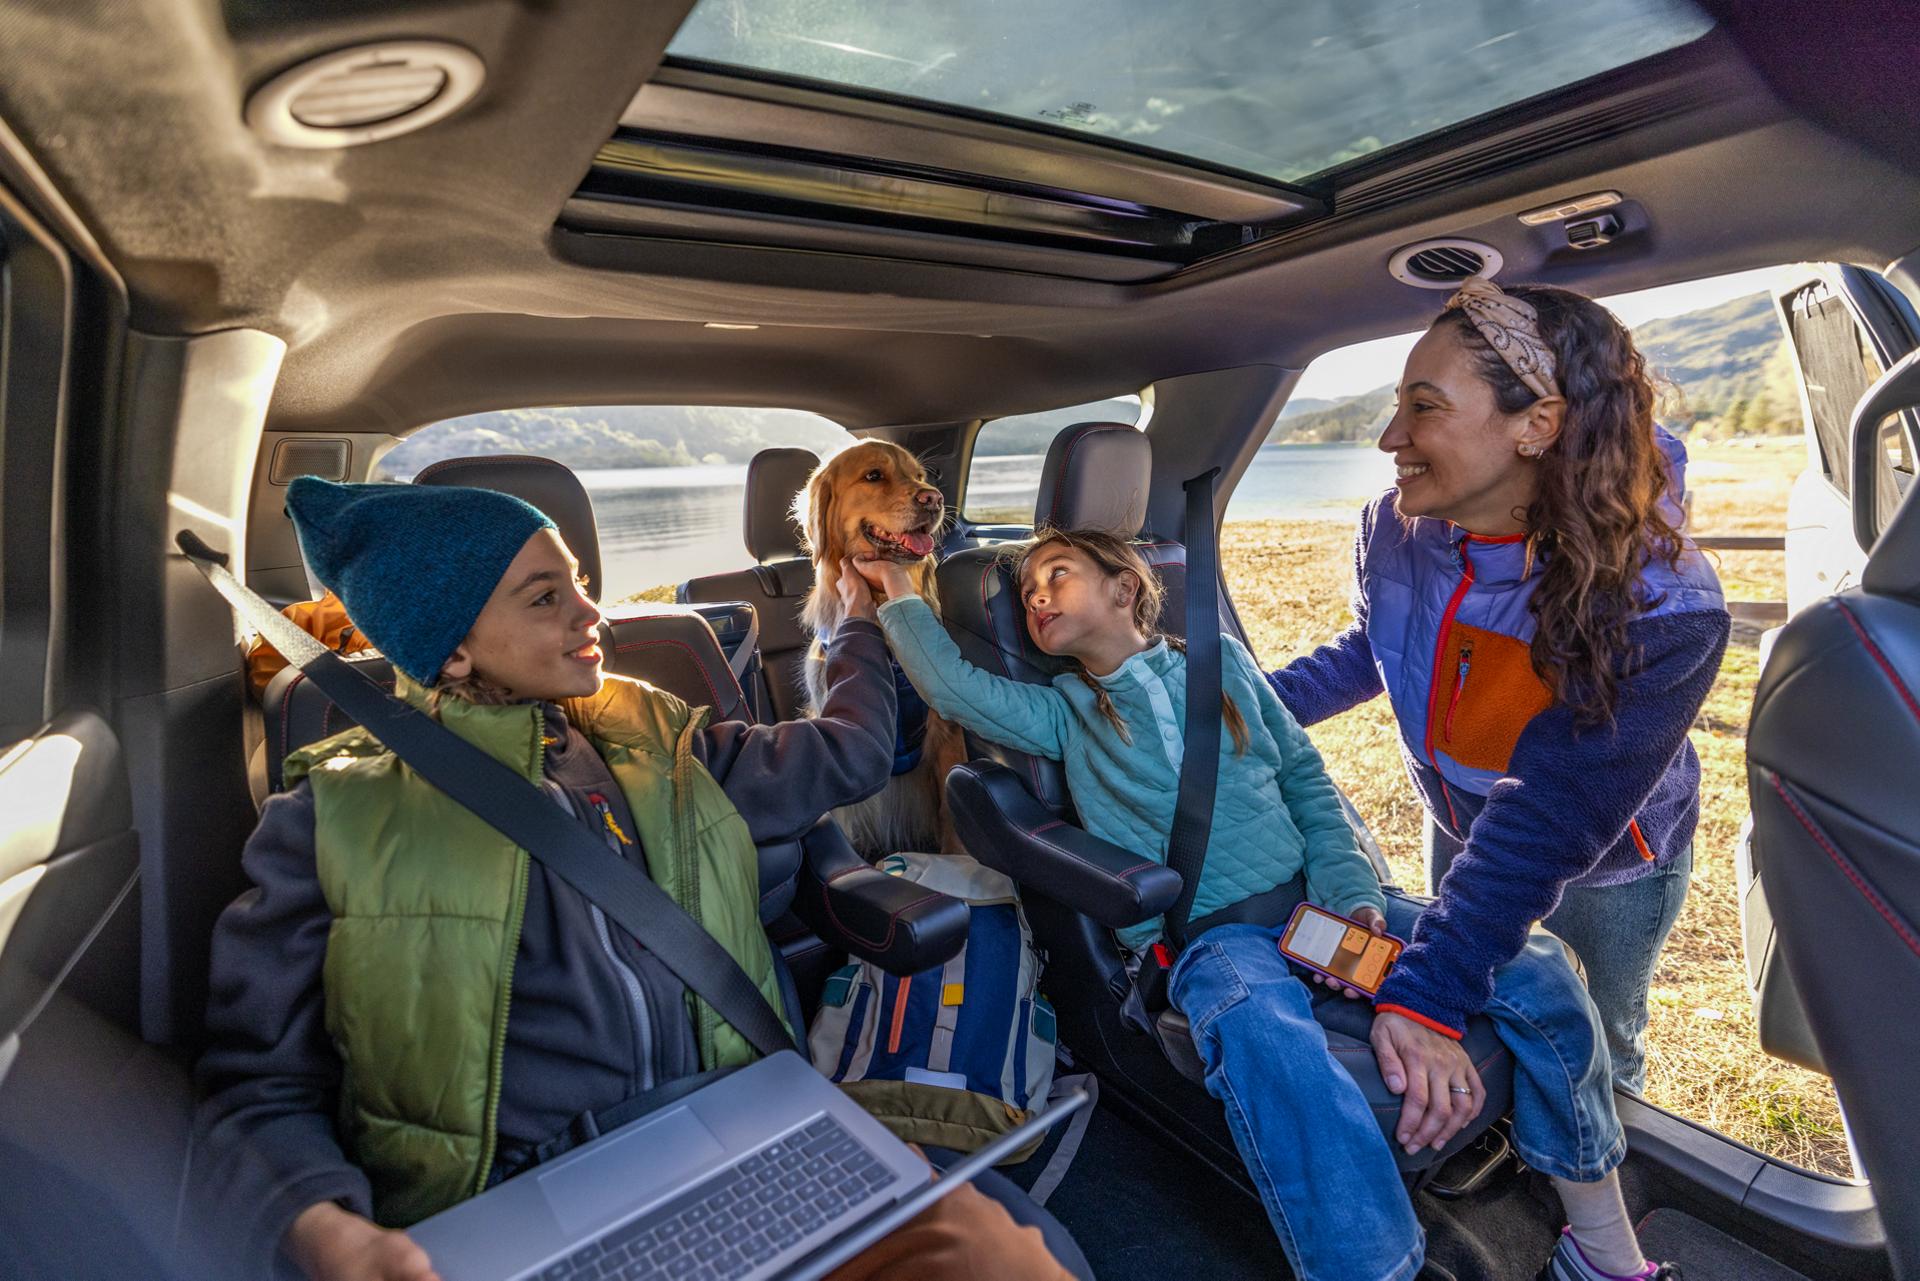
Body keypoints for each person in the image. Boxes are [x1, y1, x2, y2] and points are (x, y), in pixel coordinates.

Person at [193, 477, 1086, 1281]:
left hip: (749, 1128)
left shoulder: (658, 735)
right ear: (452, 647)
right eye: (547, 598)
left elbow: (845, 754)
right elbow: (259, 1087)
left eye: (581, 580)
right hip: (514, 1201)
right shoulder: (333, 816)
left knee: (1016, 1261)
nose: (595, 614)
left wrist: (858, 614)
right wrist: (323, 1226)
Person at [851, 529, 1678, 1281]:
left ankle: (1598, 1247)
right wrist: (897, 586)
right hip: (1209, 939)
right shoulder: (1065, 713)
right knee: (1265, 1036)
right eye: (1026, 589)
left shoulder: (1225, 668)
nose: (1036, 595)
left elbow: (1307, 783)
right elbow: (955, 687)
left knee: (1534, 965)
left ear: (1125, 587)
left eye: (1057, 574)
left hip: (1317, 907)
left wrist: (1353, 896)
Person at [1269, 279, 1730, 1105]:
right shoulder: (1395, 527)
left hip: (1608, 858)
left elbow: (1555, 810)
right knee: (1492, 1003)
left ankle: (1602, 1165)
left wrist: (1429, 988)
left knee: (1591, 1035)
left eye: (1424, 406)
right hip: (1463, 821)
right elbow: (1375, 648)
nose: (1390, 437)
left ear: (1537, 424)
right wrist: (1242, 708)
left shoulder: (1664, 601)